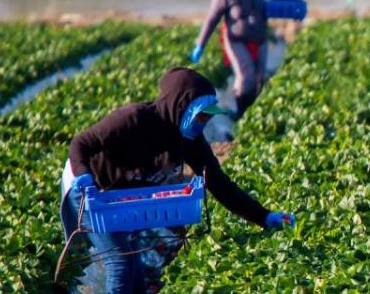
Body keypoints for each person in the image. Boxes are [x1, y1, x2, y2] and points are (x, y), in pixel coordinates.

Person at [59, 68, 295, 292]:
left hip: (118, 195)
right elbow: (81, 143)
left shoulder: (190, 140)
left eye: (207, 118)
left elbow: (220, 184)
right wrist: (83, 176)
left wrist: (263, 216)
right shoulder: (134, 119)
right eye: (201, 116)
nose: (204, 123)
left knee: (132, 260)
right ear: (181, 106)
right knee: (119, 261)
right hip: (88, 187)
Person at [191, 0, 305, 118]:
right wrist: (200, 44)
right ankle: (240, 112)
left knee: (260, 77)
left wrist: (297, 2)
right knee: (246, 76)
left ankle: (253, 113)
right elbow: (212, 19)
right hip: (236, 41)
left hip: (259, 39)